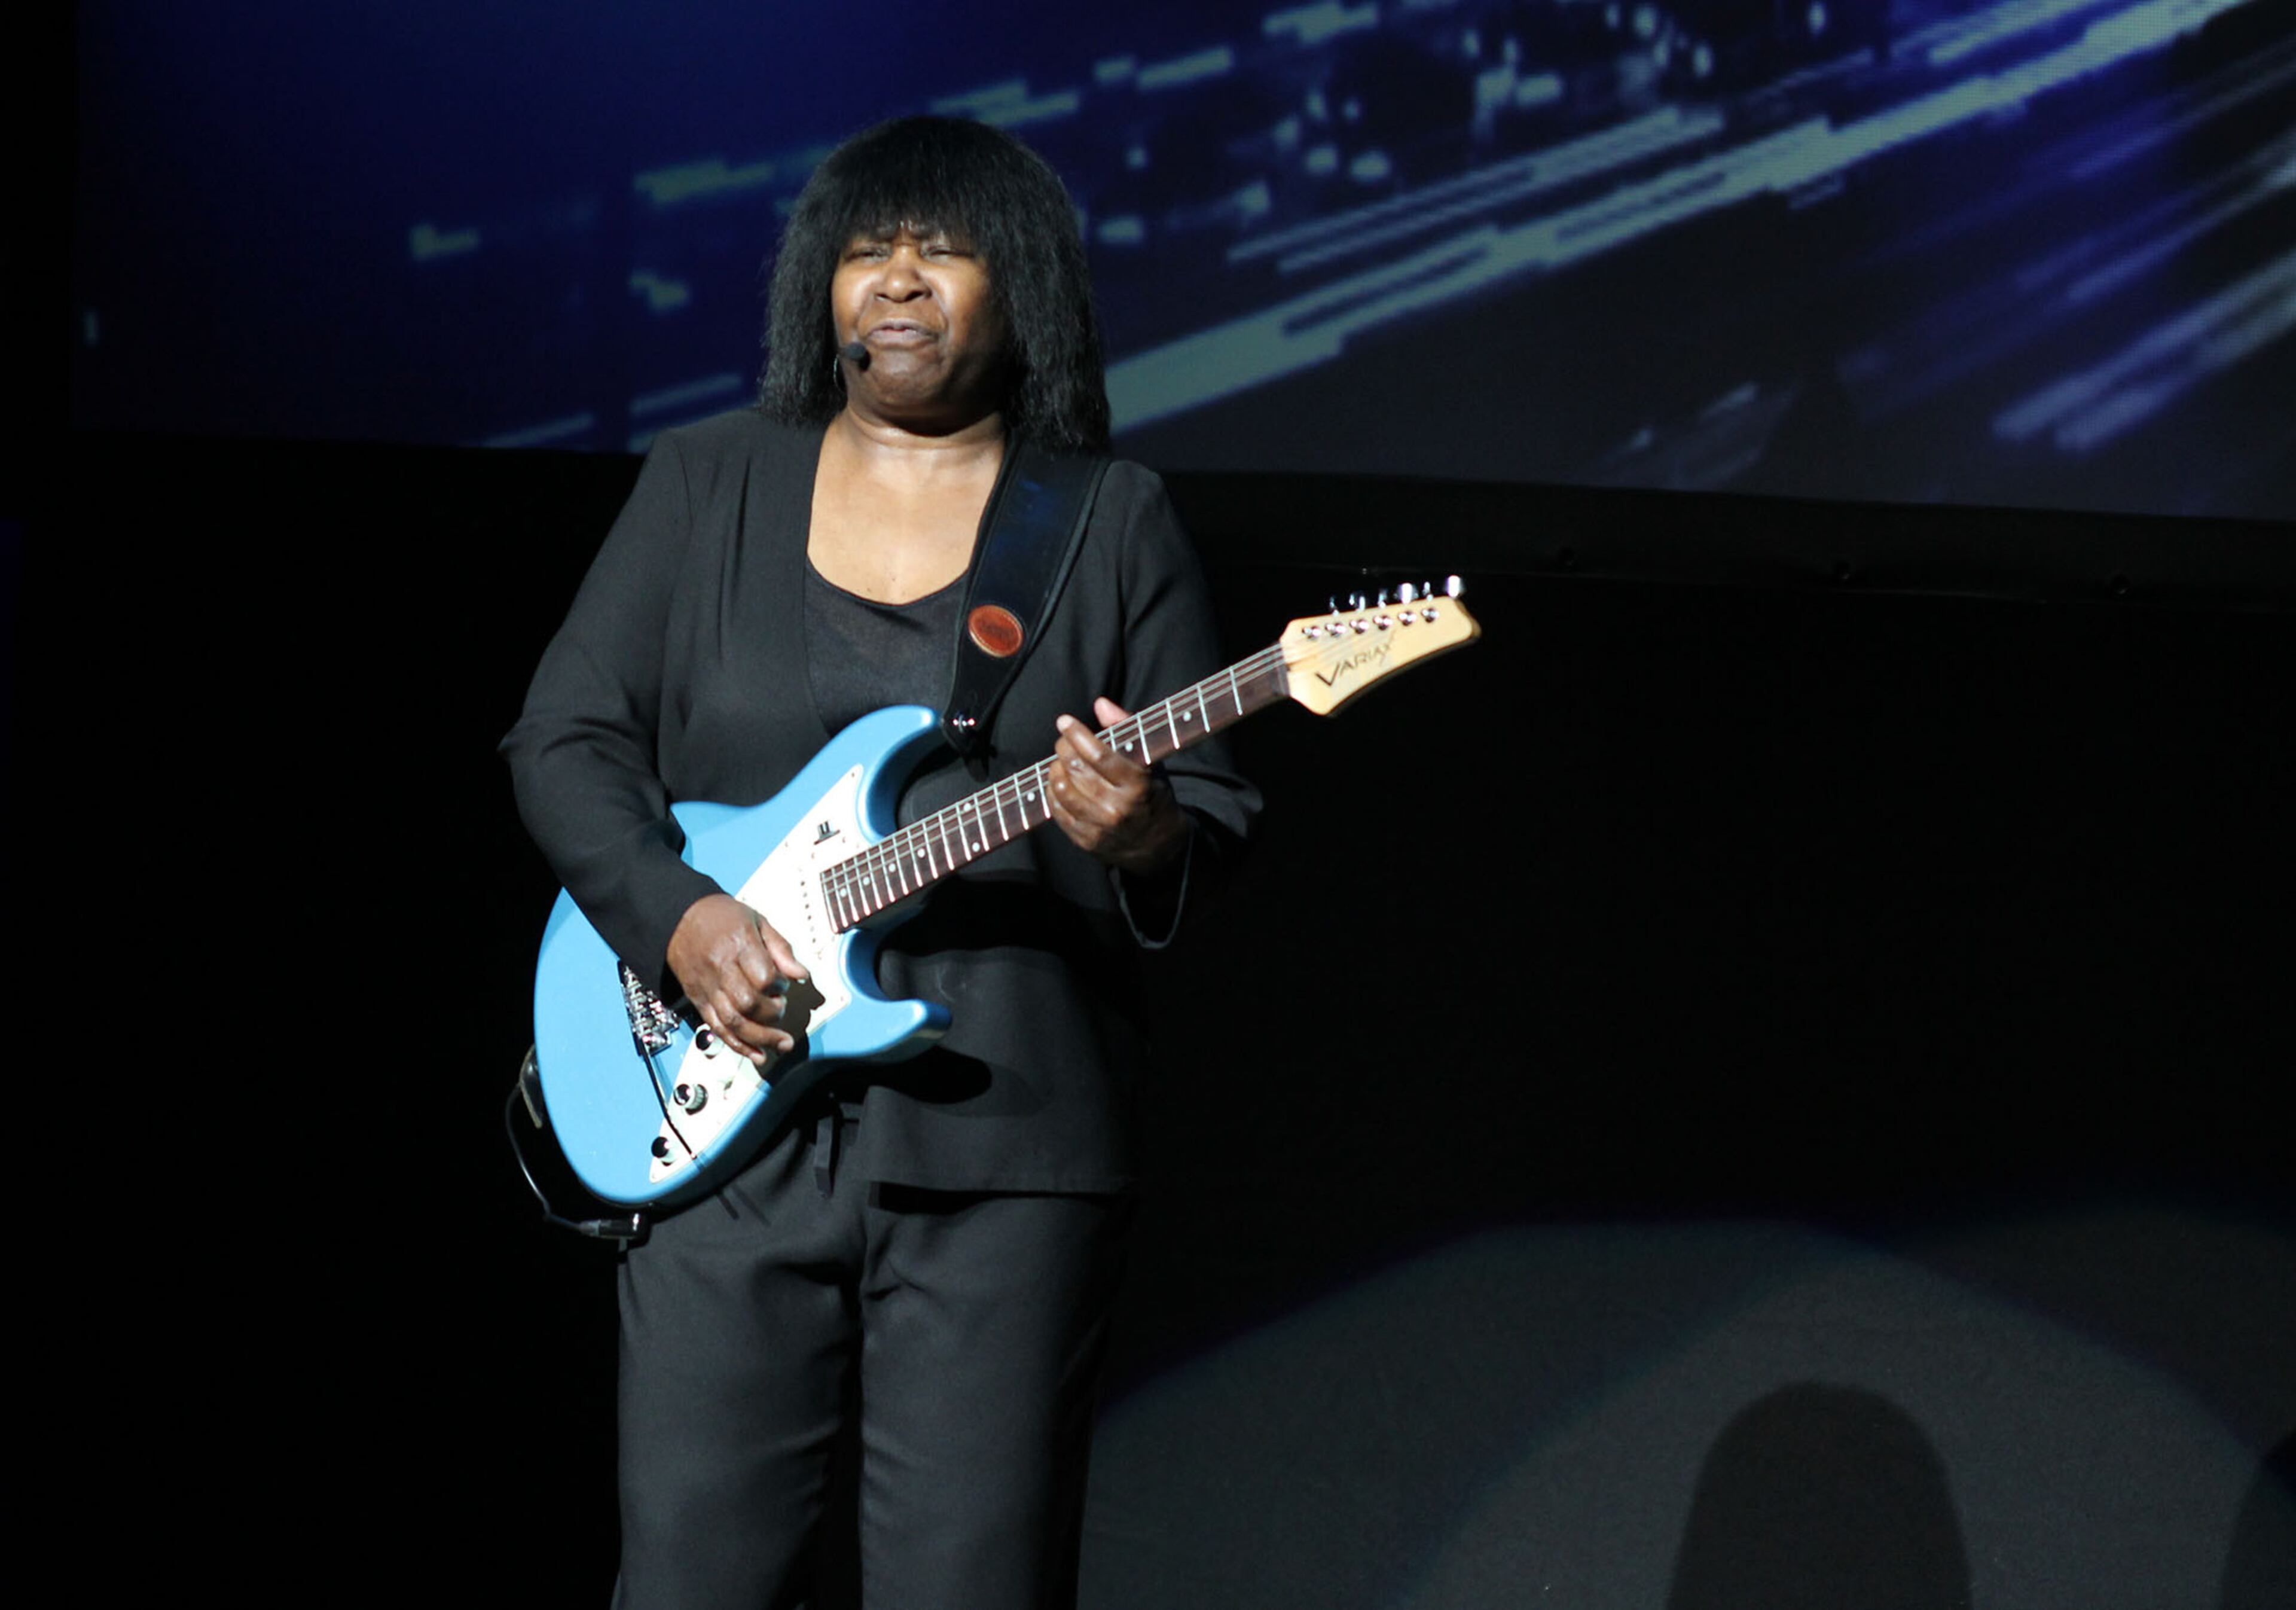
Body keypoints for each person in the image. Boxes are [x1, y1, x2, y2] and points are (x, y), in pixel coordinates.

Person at [502, 115, 1259, 1609]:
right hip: (720, 1123)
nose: (898, 280)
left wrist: (1145, 828)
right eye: (866, 250)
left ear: (1022, 289)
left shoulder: (1107, 518)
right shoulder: (708, 480)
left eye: (944, 249)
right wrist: (681, 921)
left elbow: (1214, 817)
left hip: (1006, 1149)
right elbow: (565, 737)